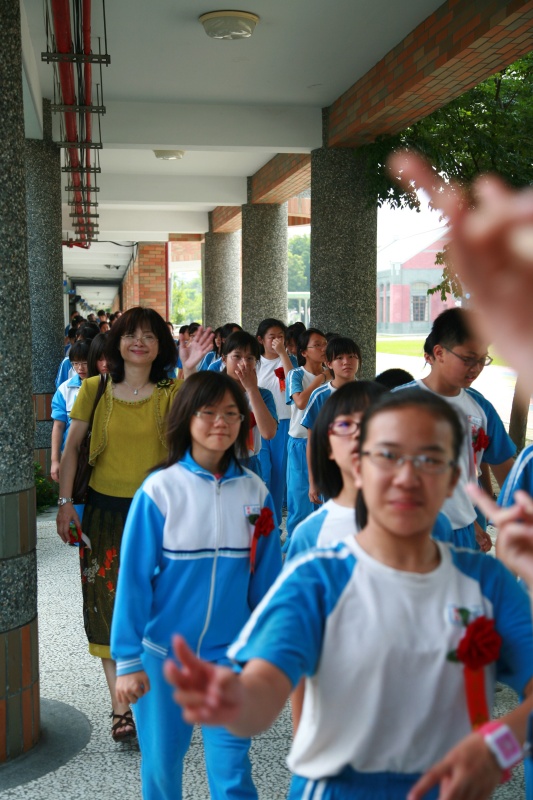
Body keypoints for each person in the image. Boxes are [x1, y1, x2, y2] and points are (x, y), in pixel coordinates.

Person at [165, 390, 533, 800]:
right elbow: (264, 685)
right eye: (388, 456)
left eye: (430, 459)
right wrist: (230, 702)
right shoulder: (315, 579)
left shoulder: (486, 582)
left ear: (453, 478)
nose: (406, 476)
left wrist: (500, 744)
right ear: (359, 466)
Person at [111, 371, 282, 800]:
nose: (220, 422)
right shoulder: (159, 491)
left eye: (231, 413)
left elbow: (267, 584)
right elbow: (133, 581)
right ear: (186, 418)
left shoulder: (256, 493)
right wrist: (127, 660)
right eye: (208, 412)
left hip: (229, 658)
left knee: (232, 772)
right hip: (162, 657)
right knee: (162, 768)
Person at [55, 307, 212, 742]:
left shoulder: (171, 390)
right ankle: (121, 707)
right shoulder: (94, 389)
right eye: (130, 335)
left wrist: (191, 369)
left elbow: (197, 427)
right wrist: (65, 504)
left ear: (161, 346)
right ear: (117, 343)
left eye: (149, 336)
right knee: (108, 609)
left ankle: (159, 698)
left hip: (161, 517)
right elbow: (72, 448)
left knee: (161, 608)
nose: (138, 342)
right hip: (104, 515)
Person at [395, 308, 515, 551]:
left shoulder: (481, 409)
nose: (476, 368)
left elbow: (510, 476)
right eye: (468, 359)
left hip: (465, 533)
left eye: (483, 360)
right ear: (439, 352)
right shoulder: (395, 404)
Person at [301, 336, 362, 505]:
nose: (346, 362)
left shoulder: (368, 393)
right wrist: (313, 481)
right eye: (339, 358)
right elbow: (312, 442)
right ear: (329, 364)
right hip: (331, 471)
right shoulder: (320, 396)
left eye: (351, 356)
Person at [284, 328, 329, 545]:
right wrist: (321, 379)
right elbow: (300, 402)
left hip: (326, 443)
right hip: (300, 442)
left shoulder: (333, 373)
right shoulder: (296, 374)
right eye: (317, 345)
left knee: (325, 496)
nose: (323, 349)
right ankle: (295, 543)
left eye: (325, 344)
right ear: (304, 352)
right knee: (300, 496)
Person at [256, 318, 297, 526]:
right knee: (263, 473)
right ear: (261, 340)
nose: (276, 341)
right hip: (259, 425)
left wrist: (283, 354)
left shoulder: (289, 360)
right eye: (272, 337)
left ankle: (273, 525)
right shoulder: (255, 362)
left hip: (285, 422)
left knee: (279, 476)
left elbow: (292, 381)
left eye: (280, 337)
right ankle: (260, 521)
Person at [222, 331, 277, 477]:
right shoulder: (214, 391)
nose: (244, 363)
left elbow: (268, 433)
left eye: (250, 358)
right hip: (218, 463)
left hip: (250, 464)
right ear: (224, 359)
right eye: (237, 356)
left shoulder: (263, 395)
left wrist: (252, 389)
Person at [51, 340, 90, 482]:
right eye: (75, 363)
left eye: (85, 363)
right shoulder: (64, 389)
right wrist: (55, 460)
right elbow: (58, 426)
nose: (80, 368)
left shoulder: (104, 385)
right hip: (71, 455)